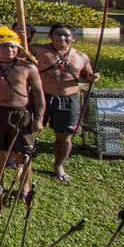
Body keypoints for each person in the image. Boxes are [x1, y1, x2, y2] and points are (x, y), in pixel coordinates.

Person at [0, 26, 45, 195]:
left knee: (23, 151)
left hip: (20, 113)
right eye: (5, 46)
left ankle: (24, 186)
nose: (10, 50)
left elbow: (39, 94)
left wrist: (39, 118)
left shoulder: (28, 67)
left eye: (13, 46)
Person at [28, 23, 99, 183]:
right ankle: (22, 160)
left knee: (64, 135)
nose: (61, 38)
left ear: (73, 38)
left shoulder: (81, 57)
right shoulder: (37, 50)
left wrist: (92, 77)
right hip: (42, 96)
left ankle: (59, 165)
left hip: (68, 98)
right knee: (28, 129)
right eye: (58, 34)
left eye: (66, 35)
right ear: (50, 36)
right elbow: (21, 52)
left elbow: (86, 75)